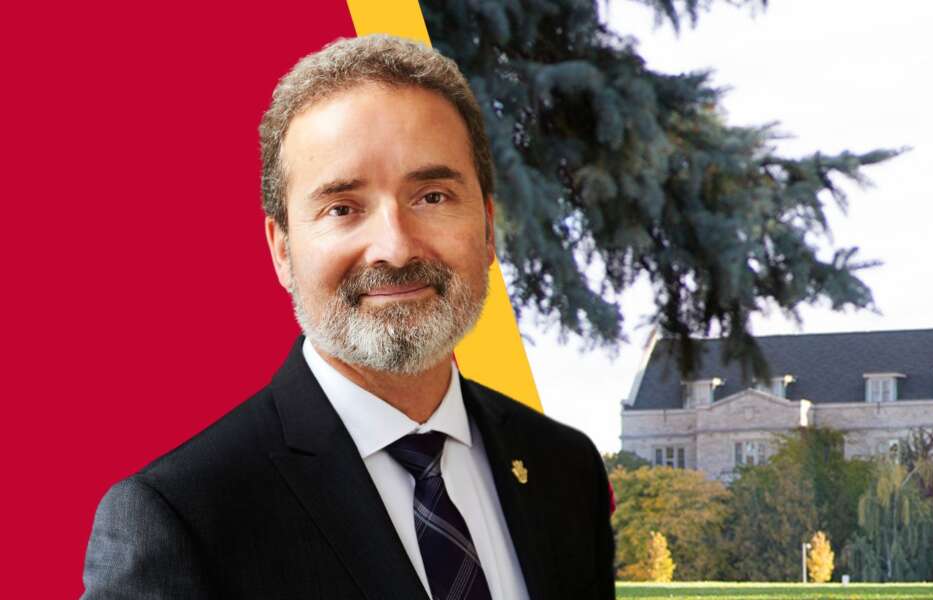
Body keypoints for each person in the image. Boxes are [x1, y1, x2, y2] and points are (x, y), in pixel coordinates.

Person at [80, 35, 613, 600]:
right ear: (281, 248)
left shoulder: (565, 471)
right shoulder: (180, 518)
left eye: (431, 197)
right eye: (342, 208)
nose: (395, 248)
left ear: (486, 225)